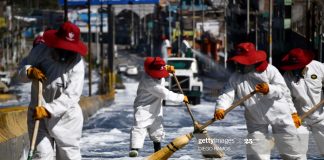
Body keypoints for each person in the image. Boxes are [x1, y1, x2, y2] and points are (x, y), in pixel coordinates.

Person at [213, 42, 304, 159]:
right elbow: (226, 94)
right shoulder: (236, 77)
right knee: (256, 149)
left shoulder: (270, 71)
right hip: (255, 117)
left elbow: (283, 90)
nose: (237, 64)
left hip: (279, 115)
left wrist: (269, 89)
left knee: (291, 148)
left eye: (240, 62)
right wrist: (221, 108)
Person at [18, 21, 87, 160]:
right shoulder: (40, 51)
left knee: (69, 156)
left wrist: (48, 110)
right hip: (38, 115)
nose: (65, 53)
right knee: (42, 156)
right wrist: (29, 71)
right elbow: (22, 70)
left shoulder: (77, 63)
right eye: (62, 48)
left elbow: (71, 95)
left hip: (66, 118)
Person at [129, 57, 189, 157]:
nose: (159, 76)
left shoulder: (158, 71)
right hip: (143, 108)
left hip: (156, 106)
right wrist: (181, 97)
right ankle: (135, 149)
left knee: (157, 128)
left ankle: (157, 150)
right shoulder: (148, 81)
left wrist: (168, 68)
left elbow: (161, 68)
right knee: (139, 127)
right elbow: (165, 94)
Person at [281, 48, 324, 157]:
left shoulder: (318, 67)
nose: (296, 69)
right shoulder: (287, 76)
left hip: (321, 118)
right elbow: (286, 98)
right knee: (297, 154)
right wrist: (293, 114)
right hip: (301, 120)